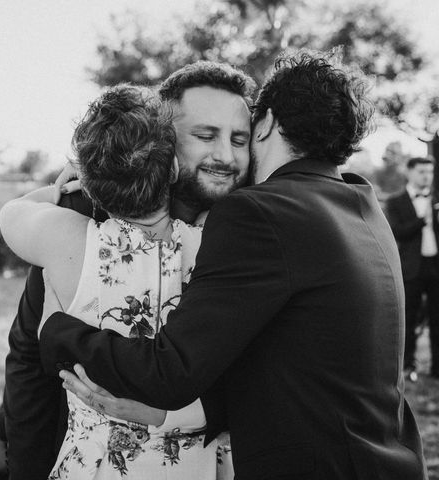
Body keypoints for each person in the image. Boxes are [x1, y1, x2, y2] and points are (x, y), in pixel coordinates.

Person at [38, 50, 428, 479]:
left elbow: (171, 372)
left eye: (241, 135)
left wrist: (57, 330)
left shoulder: (261, 212)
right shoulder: (360, 202)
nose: (228, 154)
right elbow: (286, 365)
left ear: (269, 122)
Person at [0, 60, 256, 480]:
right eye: (206, 135)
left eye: (239, 139)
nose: (225, 155)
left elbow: (267, 373)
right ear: (170, 149)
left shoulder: (245, 235)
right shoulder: (81, 217)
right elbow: (29, 366)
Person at [386, 156, 439, 382]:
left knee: (437, 319)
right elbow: (397, 232)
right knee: (409, 318)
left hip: (435, 266)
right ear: (409, 173)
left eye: (429, 171)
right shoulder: (395, 201)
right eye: (421, 171)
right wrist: (422, 219)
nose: (426, 176)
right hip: (411, 268)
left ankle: (437, 367)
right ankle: (408, 366)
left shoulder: (436, 200)